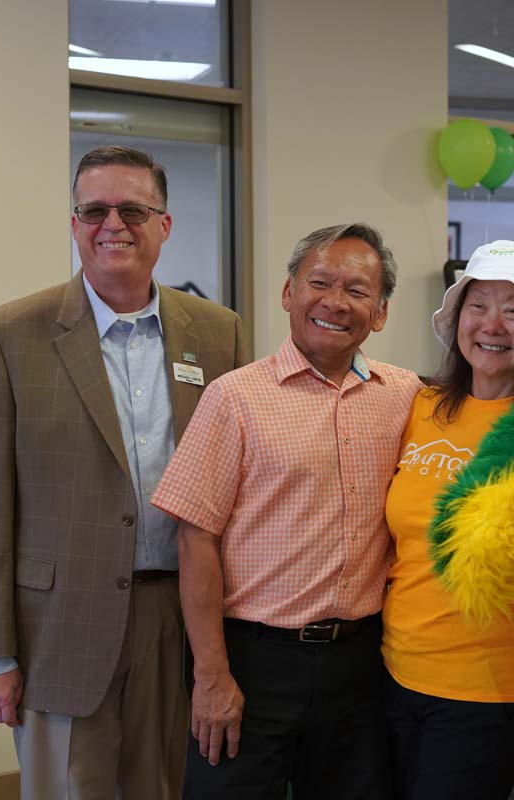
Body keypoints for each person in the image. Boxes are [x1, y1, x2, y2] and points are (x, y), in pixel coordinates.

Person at [0, 144, 248, 798]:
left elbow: (236, 483)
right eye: (94, 210)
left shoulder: (218, 333)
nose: (113, 224)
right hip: (57, 628)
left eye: (133, 209)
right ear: (74, 222)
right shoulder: (9, 335)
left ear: (164, 225)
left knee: (163, 787)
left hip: (177, 622)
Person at [151, 223, 421, 799]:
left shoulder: (406, 397)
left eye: (356, 290)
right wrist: (211, 675)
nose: (334, 302)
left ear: (380, 313)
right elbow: (194, 540)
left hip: (362, 664)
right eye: (318, 282)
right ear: (288, 293)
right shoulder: (235, 397)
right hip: (253, 663)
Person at [381, 240, 514, 799]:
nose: (492, 325)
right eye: (478, 306)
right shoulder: (420, 406)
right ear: (457, 320)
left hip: (484, 688)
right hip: (387, 671)